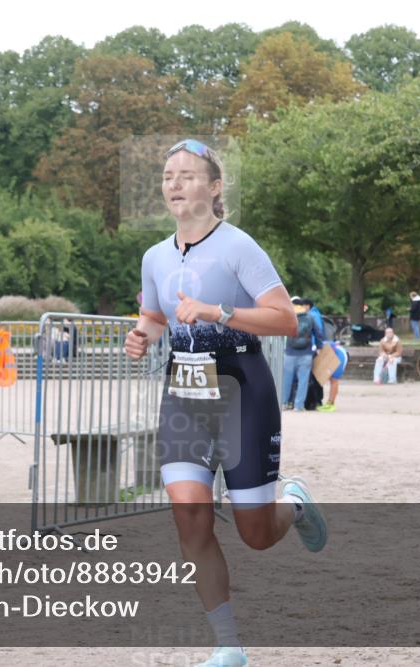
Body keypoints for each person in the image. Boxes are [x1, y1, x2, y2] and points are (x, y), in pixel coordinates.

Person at [124, 139, 327, 667]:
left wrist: (218, 311)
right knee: (189, 516)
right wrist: (141, 336)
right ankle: (228, 645)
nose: (174, 183)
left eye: (187, 175)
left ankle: (295, 502)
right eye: (168, 175)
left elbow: (285, 319)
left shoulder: (239, 247)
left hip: (242, 389)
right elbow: (155, 315)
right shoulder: (154, 257)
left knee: (256, 534)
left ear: (214, 188)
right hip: (184, 396)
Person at [282, 299, 317, 411]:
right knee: (303, 380)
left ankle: (283, 403)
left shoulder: (288, 316)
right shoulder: (310, 317)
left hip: (290, 352)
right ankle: (299, 405)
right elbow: (319, 334)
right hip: (306, 353)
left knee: (286, 380)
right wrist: (319, 347)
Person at [315, 340, 348, 412]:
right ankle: (329, 402)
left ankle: (331, 404)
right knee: (331, 379)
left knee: (334, 380)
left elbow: (332, 346)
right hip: (333, 353)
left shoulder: (318, 344)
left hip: (340, 355)